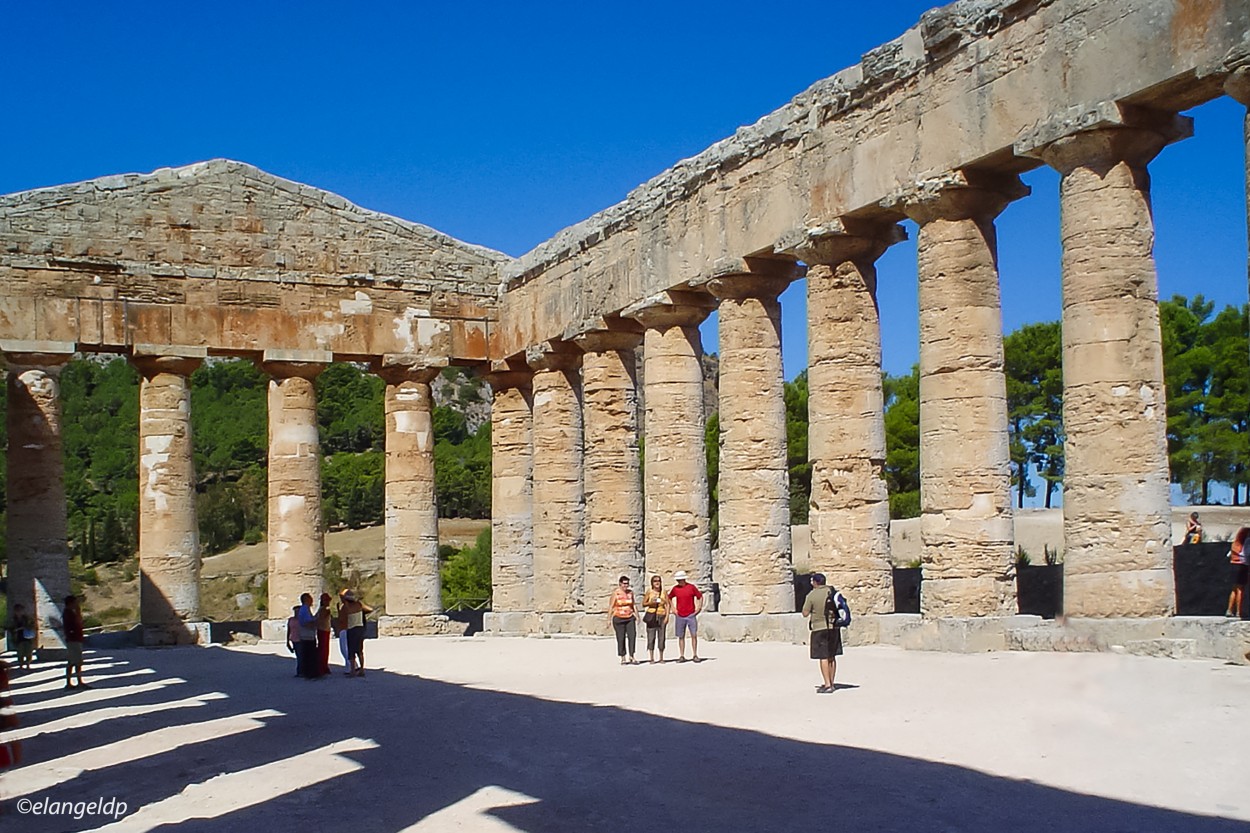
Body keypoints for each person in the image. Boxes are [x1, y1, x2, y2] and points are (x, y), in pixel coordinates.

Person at [801, 573, 842, 694]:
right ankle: (832, 682)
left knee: (823, 656)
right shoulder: (832, 591)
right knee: (832, 656)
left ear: (815, 582)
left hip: (819, 628)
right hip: (833, 627)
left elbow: (805, 613)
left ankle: (827, 684)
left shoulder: (812, 595)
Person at [667, 570, 703, 663]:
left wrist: (699, 607)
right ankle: (682, 655)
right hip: (680, 615)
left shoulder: (691, 587)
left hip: (690, 614)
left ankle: (695, 654)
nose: (679, 582)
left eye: (680, 580)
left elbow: (700, 596)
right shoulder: (675, 589)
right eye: (678, 580)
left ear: (684, 579)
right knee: (681, 636)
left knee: (693, 635)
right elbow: (669, 597)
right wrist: (673, 608)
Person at [340, 590, 373, 677]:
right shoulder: (359, 605)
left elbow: (342, 619)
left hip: (351, 629)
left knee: (351, 650)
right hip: (360, 628)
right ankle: (362, 669)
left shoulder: (346, 607)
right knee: (360, 650)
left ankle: (352, 671)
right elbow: (370, 609)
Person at [609, 575, 638, 665]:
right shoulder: (616, 593)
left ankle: (632, 656)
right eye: (624, 584)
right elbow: (611, 606)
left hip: (629, 617)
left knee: (632, 636)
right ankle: (623, 657)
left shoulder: (630, 593)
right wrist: (608, 619)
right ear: (620, 584)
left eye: (627, 584)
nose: (626, 585)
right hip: (619, 617)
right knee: (621, 638)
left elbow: (633, 604)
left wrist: (637, 615)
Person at [62, 595, 87, 690]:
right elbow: (78, 622)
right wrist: (78, 612)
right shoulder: (68, 613)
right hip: (73, 639)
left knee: (75, 661)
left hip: (75, 639)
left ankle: (76, 681)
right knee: (74, 662)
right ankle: (73, 682)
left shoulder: (69, 613)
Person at [642, 574, 668, 663]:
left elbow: (667, 604)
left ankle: (661, 657)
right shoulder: (649, 592)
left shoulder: (664, 592)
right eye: (655, 581)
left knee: (662, 636)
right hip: (652, 615)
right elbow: (643, 604)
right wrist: (651, 602)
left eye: (658, 581)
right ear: (652, 583)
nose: (657, 583)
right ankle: (651, 657)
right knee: (651, 636)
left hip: (661, 614)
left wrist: (667, 616)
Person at [1227, 527, 1249, 618]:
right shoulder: (1246, 541)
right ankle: (1239, 612)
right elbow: (1246, 554)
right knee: (1241, 589)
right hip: (1242, 564)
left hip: (1233, 563)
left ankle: (1230, 610)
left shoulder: (1235, 543)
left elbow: (1229, 554)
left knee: (1234, 589)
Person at [7, 603, 36, 672]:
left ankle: (28, 664)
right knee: (20, 652)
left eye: (21, 610)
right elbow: (9, 628)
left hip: (27, 637)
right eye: (18, 610)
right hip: (18, 637)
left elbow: (32, 625)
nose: (19, 612)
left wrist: (25, 627)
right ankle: (21, 664)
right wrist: (15, 630)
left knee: (28, 651)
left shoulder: (26, 618)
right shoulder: (13, 619)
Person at [296, 593, 318, 679]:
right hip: (307, 636)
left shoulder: (305, 609)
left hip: (307, 635)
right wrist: (315, 621)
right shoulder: (304, 609)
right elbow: (306, 622)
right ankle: (310, 673)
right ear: (306, 599)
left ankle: (306, 672)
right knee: (310, 655)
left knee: (307, 654)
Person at [315, 592, 334, 677]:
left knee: (324, 649)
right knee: (323, 649)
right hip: (323, 630)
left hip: (323, 630)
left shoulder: (321, 609)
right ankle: (322, 667)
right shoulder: (324, 609)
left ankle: (323, 666)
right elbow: (321, 618)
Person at [286, 605, 302, 677]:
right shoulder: (291, 620)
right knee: (298, 655)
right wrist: (287, 641)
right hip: (294, 639)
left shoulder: (302, 620)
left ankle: (301, 671)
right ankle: (300, 671)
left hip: (301, 639)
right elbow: (289, 630)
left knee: (301, 656)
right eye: (295, 611)